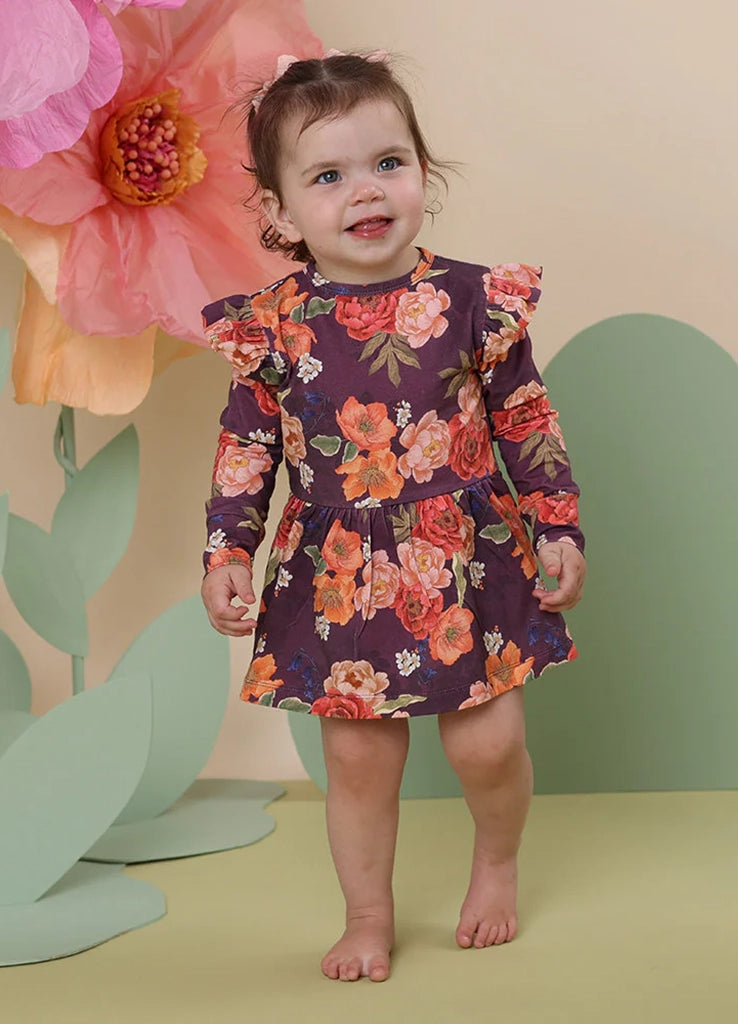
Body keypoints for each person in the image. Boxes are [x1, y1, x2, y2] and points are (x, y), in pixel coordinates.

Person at [200, 52, 586, 983]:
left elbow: (525, 419)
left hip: (466, 559)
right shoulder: (274, 327)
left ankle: (497, 861)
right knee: (361, 763)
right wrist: (227, 549)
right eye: (328, 176)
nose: (366, 191)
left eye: (387, 162)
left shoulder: (471, 301)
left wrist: (558, 525)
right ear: (281, 213)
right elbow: (247, 446)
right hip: (340, 575)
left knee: (489, 746)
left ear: (422, 171)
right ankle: (368, 914)